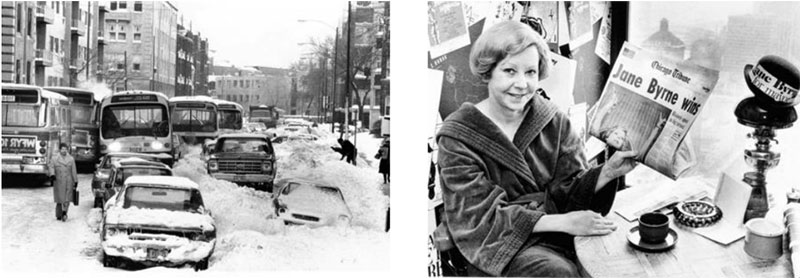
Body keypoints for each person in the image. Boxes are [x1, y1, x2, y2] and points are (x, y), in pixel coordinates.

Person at [436, 21, 639, 277]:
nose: (522, 84)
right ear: (488, 72)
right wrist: (565, 222)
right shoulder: (459, 135)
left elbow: (571, 188)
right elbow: (478, 217)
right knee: (555, 273)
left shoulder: (553, 120)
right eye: (510, 71)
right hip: (497, 246)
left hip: (561, 235)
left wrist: (607, 172)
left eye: (531, 72)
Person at [49, 143, 78, 222]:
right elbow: (51, 167)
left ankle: (64, 213)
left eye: (65, 149)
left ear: (67, 150)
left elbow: (73, 170)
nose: (64, 151)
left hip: (69, 181)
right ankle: (59, 214)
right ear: (60, 150)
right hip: (58, 181)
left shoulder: (71, 159)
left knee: (67, 199)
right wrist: (52, 175)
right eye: (62, 149)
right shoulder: (55, 158)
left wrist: (75, 180)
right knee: (60, 199)